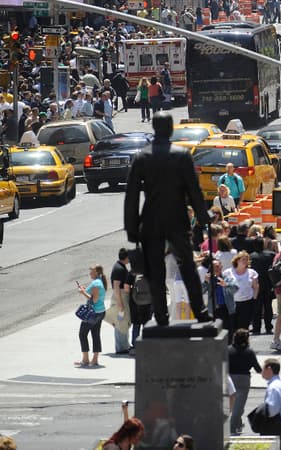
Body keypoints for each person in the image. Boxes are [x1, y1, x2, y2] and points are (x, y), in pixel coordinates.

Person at [124, 112, 212, 326]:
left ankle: (162, 316)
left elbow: (132, 195)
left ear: (154, 128)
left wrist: (131, 226)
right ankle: (200, 310)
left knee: (155, 270)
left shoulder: (143, 157)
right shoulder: (181, 155)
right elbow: (194, 191)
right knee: (187, 266)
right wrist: (204, 218)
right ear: (171, 128)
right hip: (177, 218)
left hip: (151, 219)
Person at [228, 329, 262, 434]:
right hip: (244, 380)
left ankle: (237, 424)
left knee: (233, 405)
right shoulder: (249, 352)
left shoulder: (227, 350)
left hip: (229, 379)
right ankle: (232, 428)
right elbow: (258, 369)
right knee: (239, 406)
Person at [76, 265, 107, 367]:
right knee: (95, 334)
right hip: (101, 312)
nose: (90, 274)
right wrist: (85, 290)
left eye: (92, 272)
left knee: (82, 334)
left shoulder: (96, 283)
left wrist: (82, 292)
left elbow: (94, 300)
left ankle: (85, 359)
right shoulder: (99, 282)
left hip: (93, 313)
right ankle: (94, 359)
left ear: (97, 273)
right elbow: (94, 294)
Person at [260, 358, 281, 450]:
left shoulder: (273, 387)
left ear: (269, 369)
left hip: (272, 429)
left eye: (263, 369)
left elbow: (272, 410)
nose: (261, 372)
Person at [109, 249, 132, 355]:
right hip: (120, 297)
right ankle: (121, 348)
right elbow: (116, 287)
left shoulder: (120, 266)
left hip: (122, 296)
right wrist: (120, 304)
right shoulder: (118, 268)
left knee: (123, 321)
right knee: (120, 322)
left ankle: (124, 345)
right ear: (126, 257)